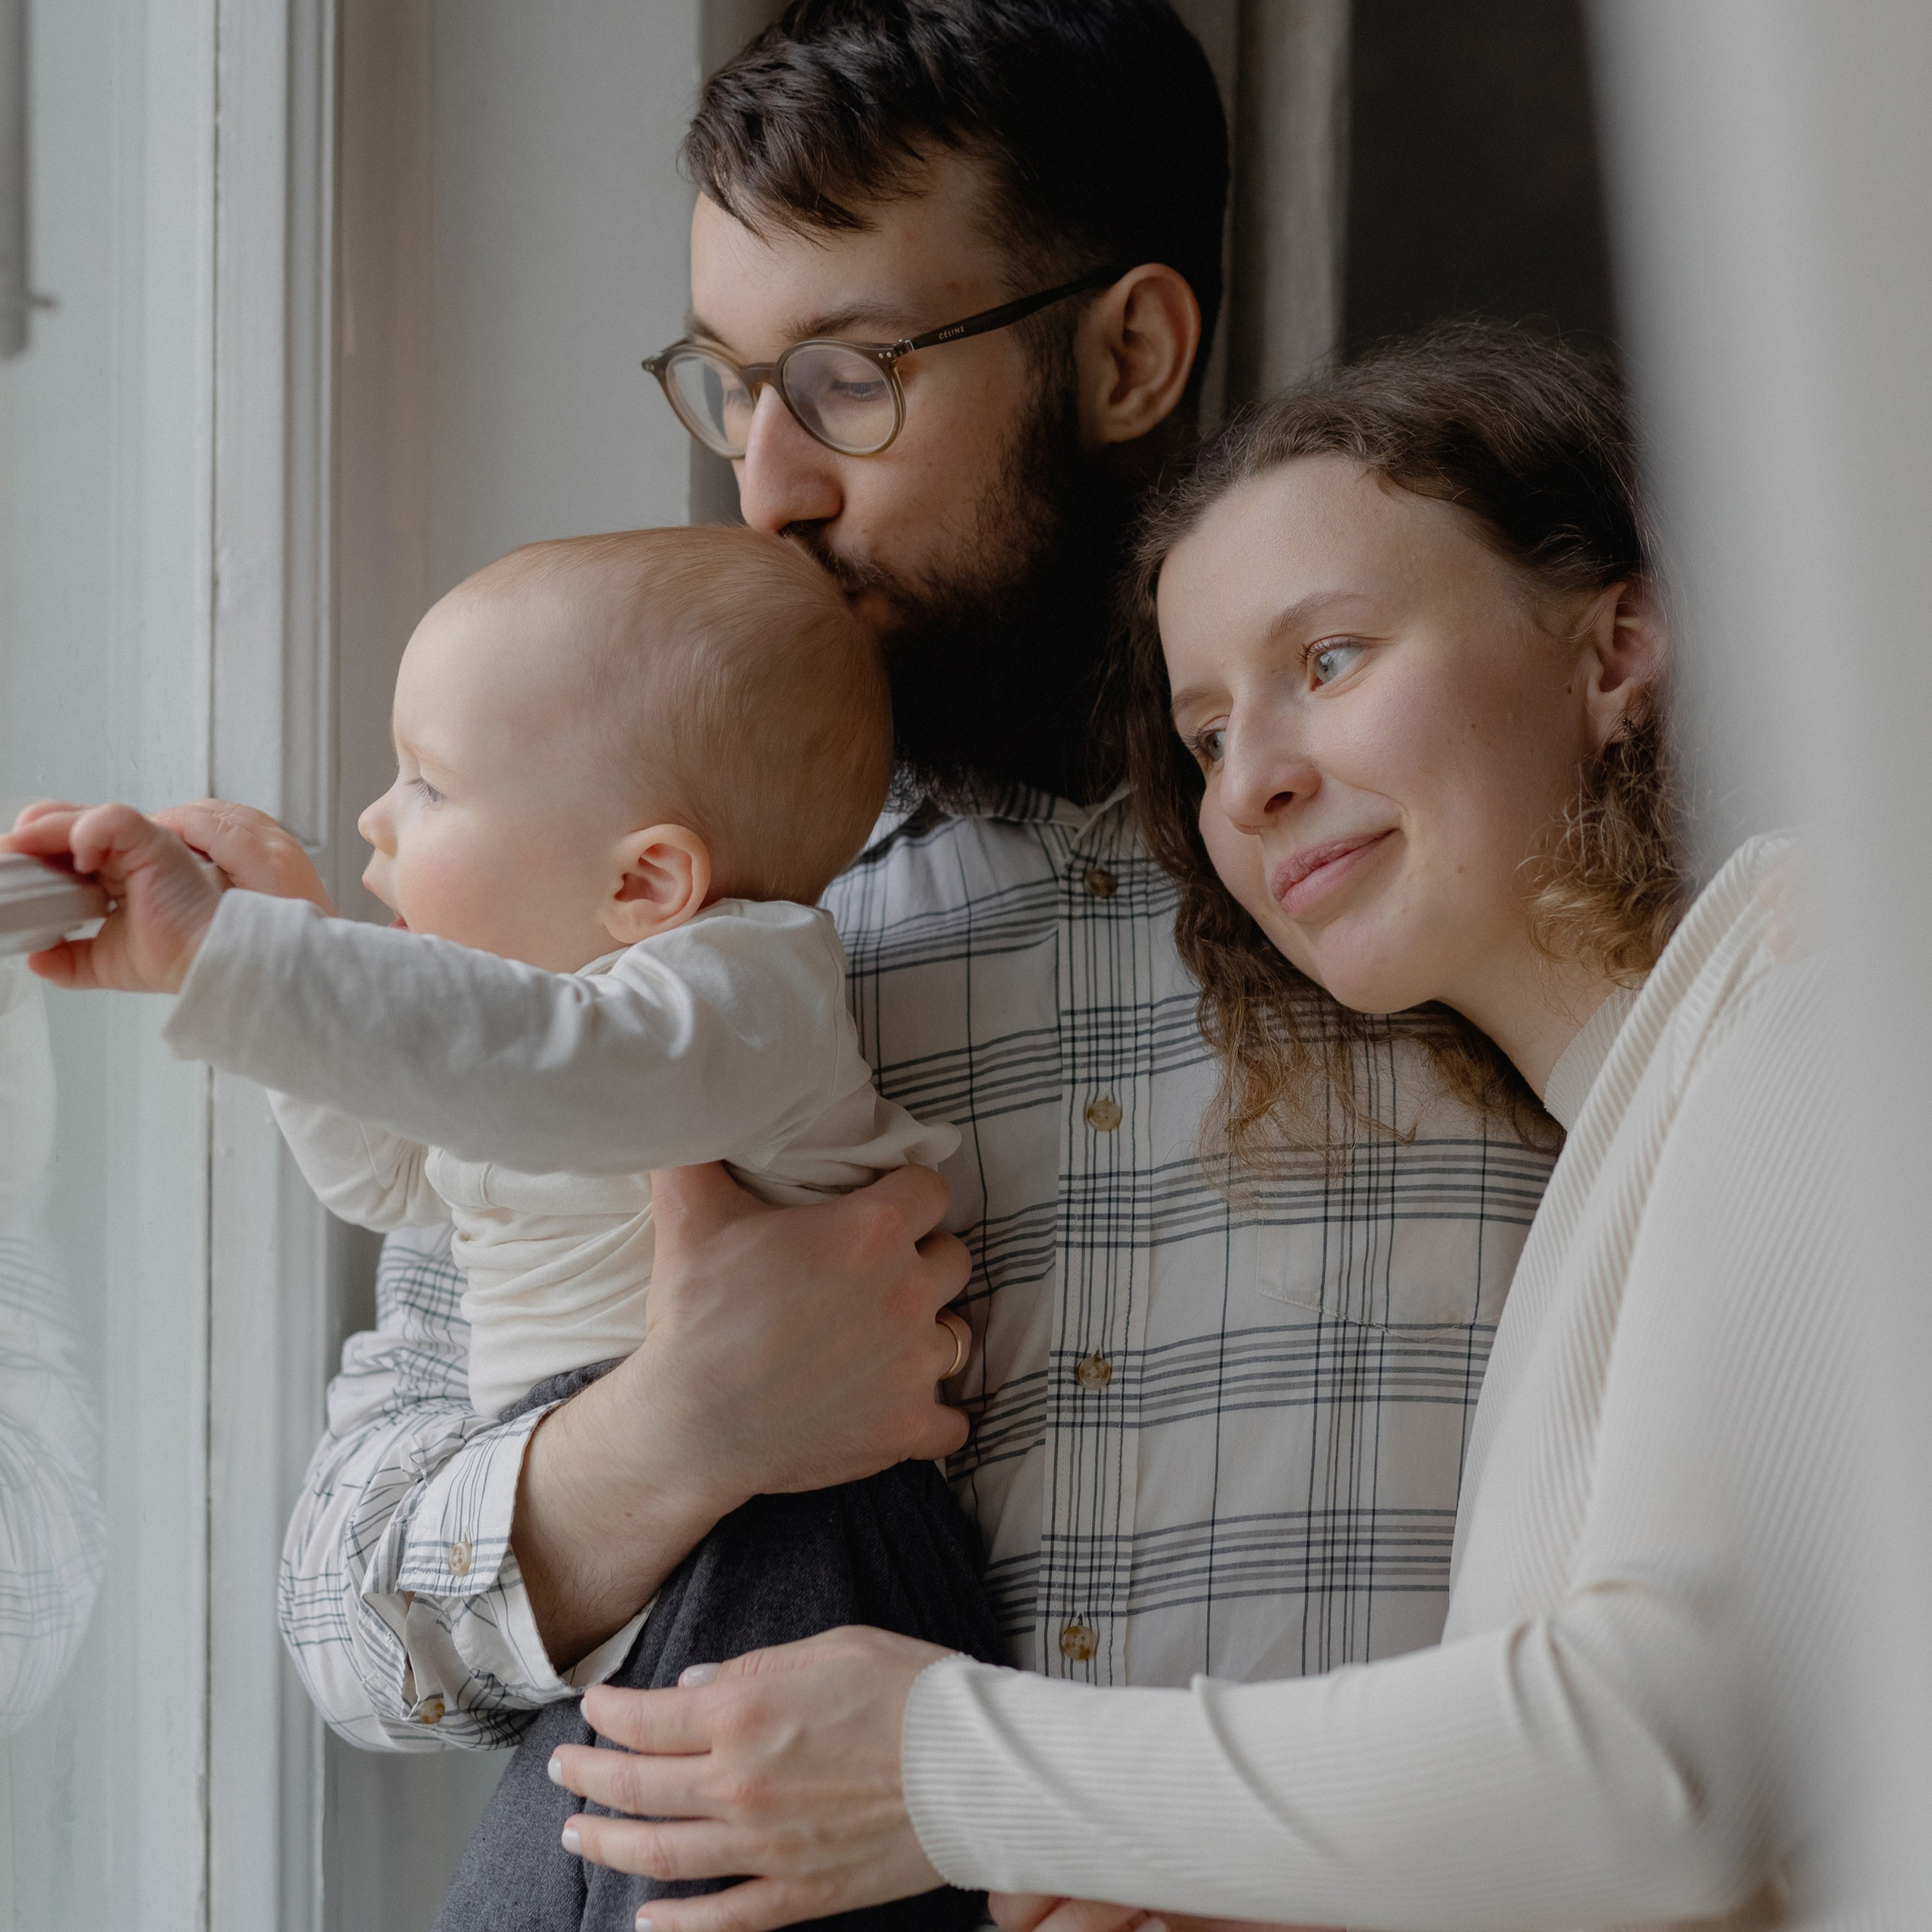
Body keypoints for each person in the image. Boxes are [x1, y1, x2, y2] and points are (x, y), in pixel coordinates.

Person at [233, 0, 1546, 1897]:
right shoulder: (654, 925)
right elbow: (347, 1627)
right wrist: (679, 1427)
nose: (767, 481)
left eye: (848, 375)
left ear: (1128, 351)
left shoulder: (1450, 874)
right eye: (727, 380)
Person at [541, 328, 1866, 1932]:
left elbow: (1659, 1769)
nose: (1251, 786)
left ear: (1613, 647)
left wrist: (941, 1766)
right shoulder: (1626, 1133)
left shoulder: (1807, 998)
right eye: (1207, 734)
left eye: (1327, 661)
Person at [7, 524, 1008, 1931]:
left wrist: (240, 957)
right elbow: (397, 1180)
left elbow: (542, 1067)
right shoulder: (554, 1037)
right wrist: (284, 928)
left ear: (645, 885)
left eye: (429, 782)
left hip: (803, 1547)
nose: (376, 819)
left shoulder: (740, 990)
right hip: (649, 1545)